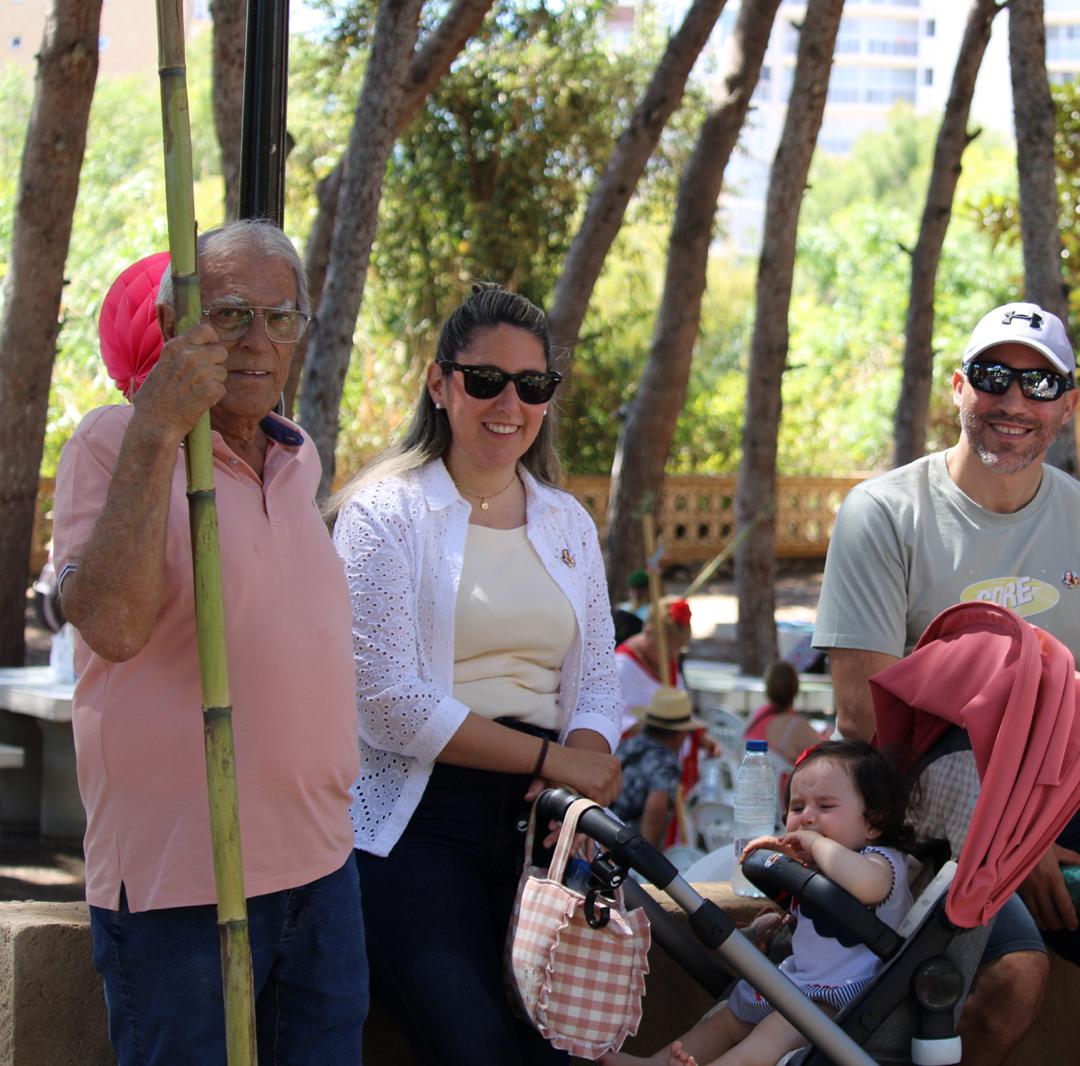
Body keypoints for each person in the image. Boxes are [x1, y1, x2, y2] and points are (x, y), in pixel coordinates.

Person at [813, 301, 1080, 1066]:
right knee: (1011, 983)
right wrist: (1005, 842)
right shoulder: (882, 513)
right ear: (958, 388)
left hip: (1050, 812)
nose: (1014, 401)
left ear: (1068, 406)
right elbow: (864, 719)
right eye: (994, 376)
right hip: (913, 817)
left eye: (1040, 384)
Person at [54, 222, 366, 1063]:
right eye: (229, 315)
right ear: (174, 326)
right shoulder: (115, 439)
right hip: (185, 881)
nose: (257, 340)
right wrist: (158, 427)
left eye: (280, 317)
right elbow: (111, 625)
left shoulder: (298, 457)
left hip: (321, 868)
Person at [330, 283, 624, 1065]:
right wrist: (553, 759)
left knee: (561, 1049)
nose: (510, 404)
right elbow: (388, 704)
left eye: (533, 385)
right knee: (476, 1048)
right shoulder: (383, 514)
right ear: (440, 383)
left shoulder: (568, 521)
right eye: (486, 380)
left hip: (546, 824)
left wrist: (579, 774)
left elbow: (599, 679)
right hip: (415, 822)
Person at [602, 740, 915, 1066]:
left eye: (825, 806)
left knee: (772, 1033)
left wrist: (814, 844)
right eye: (797, 808)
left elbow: (867, 886)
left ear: (874, 820)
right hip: (803, 985)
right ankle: (655, 1064)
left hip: (843, 996)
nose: (807, 818)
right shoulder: (822, 864)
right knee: (728, 1020)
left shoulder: (881, 860)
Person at [613, 690, 706, 847]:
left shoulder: (628, 745)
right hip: (624, 843)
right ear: (680, 734)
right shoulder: (665, 763)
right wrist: (646, 854)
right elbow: (656, 808)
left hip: (601, 830)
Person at [744, 661, 827, 768]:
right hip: (780, 779)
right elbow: (826, 755)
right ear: (795, 689)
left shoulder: (755, 715)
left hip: (749, 776)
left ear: (768, 688)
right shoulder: (796, 725)